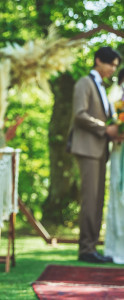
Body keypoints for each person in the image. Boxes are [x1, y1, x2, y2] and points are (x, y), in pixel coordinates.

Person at [68, 46, 121, 263]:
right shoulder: (84, 83)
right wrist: (105, 129)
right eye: (111, 65)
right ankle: (86, 249)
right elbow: (79, 114)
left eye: (115, 67)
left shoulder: (101, 86)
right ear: (98, 61)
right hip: (87, 148)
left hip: (100, 150)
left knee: (98, 199)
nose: (112, 70)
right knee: (90, 199)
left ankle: (91, 246)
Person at [104, 68, 124, 264]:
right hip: (120, 151)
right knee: (119, 198)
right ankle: (116, 247)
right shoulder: (116, 99)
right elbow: (111, 123)